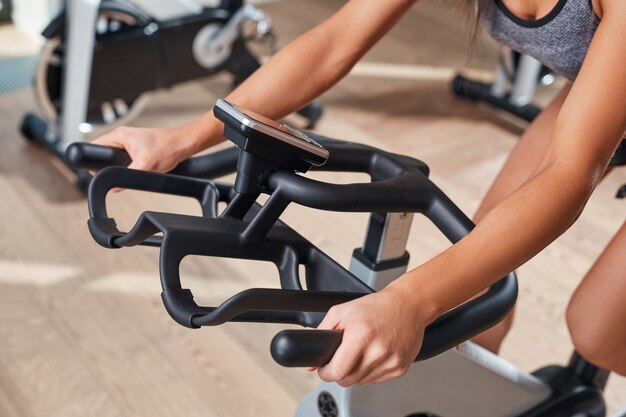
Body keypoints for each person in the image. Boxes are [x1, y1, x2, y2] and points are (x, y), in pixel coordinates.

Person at [93, 0, 626, 385]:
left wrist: (408, 302)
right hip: (603, 93)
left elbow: (568, 171)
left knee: (596, 330)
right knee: (472, 284)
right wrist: (181, 140)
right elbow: (336, 41)